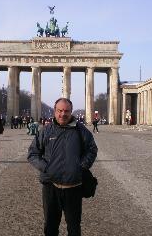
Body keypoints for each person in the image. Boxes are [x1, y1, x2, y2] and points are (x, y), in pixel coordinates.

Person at [28, 98, 98, 236]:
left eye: (66, 111)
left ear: (71, 112)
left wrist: (81, 166)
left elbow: (92, 149)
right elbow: (33, 154)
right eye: (59, 111)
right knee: (50, 227)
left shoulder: (80, 130)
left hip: (73, 187)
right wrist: (46, 168)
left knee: (74, 227)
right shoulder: (46, 131)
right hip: (50, 187)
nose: (63, 114)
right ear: (55, 111)